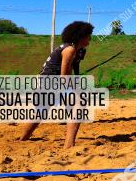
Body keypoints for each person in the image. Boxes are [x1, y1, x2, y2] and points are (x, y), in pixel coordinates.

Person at [19, 21, 93, 149]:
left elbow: (71, 70)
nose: (90, 38)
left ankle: (23, 139)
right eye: (88, 35)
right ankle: (69, 146)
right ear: (80, 36)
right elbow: (64, 76)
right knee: (78, 104)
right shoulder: (69, 49)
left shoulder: (78, 50)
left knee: (41, 112)